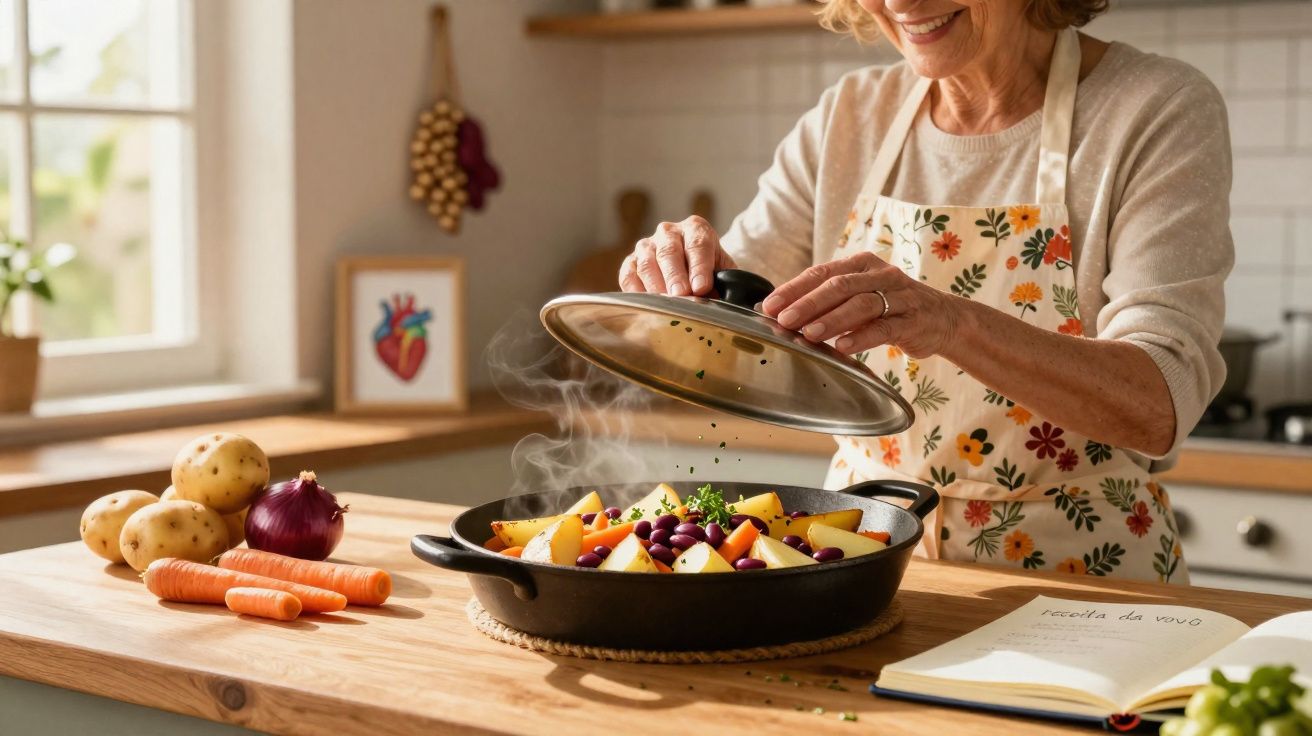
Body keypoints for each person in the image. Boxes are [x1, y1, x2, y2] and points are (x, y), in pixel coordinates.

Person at [618, 0, 1234, 583]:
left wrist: (951, 324)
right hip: (872, 561)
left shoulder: (1154, 107)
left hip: (1086, 584)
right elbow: (729, 333)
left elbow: (1160, 405)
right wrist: (683, 282)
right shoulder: (851, 116)